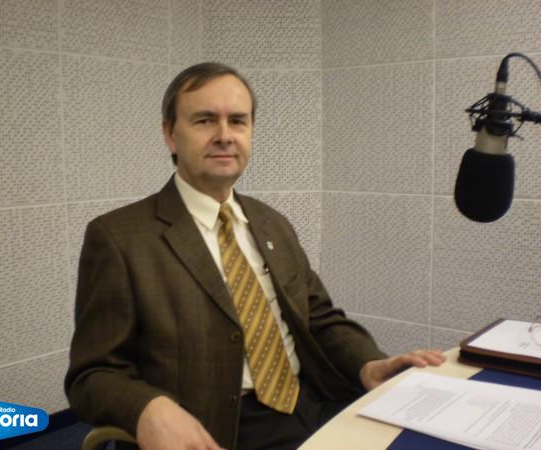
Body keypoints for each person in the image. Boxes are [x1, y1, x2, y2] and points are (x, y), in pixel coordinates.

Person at [65, 62, 445, 450]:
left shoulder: (271, 223)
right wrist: (147, 408)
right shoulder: (119, 238)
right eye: (204, 121)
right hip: (213, 430)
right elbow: (92, 375)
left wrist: (368, 363)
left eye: (238, 121)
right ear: (170, 134)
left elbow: (319, 318)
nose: (224, 136)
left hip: (309, 406)